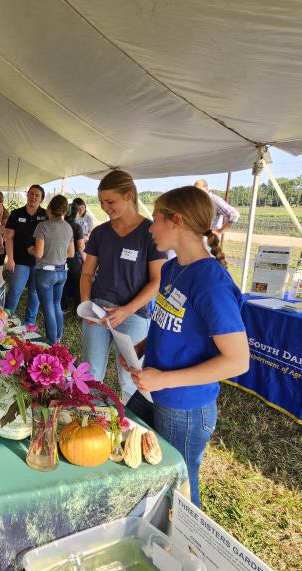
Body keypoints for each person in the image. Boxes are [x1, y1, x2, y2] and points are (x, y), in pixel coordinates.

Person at [124, 185, 249, 506]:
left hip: (185, 406)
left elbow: (237, 361)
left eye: (155, 220)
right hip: (153, 390)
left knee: (179, 487)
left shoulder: (211, 282)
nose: (150, 228)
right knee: (129, 446)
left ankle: (186, 546)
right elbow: (171, 321)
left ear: (176, 220)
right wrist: (141, 346)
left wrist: (164, 379)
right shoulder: (171, 268)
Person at [80, 169, 166, 403]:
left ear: (129, 196)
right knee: (90, 373)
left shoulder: (150, 233)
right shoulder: (100, 233)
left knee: (131, 379)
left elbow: (157, 280)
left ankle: (129, 428)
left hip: (134, 314)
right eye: (102, 202)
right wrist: (86, 304)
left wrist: (126, 310)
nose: (105, 208)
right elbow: (87, 273)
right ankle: (88, 420)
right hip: (97, 311)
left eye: (110, 201)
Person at [30, 195, 75, 344]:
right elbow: (71, 253)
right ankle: (59, 337)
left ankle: (52, 341)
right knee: (56, 305)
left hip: (45, 272)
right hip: (62, 271)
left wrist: (30, 249)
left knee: (48, 307)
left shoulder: (43, 226)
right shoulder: (68, 227)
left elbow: (38, 253)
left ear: (49, 208)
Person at [3, 184, 46, 324]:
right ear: (27, 195)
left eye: (37, 195)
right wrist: (10, 259)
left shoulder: (46, 215)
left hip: (39, 262)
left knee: (35, 293)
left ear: (41, 199)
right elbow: (8, 237)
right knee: (15, 291)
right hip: (19, 260)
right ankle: (6, 323)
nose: (33, 197)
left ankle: (29, 325)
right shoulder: (17, 213)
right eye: (31, 193)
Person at [61, 204, 86, 313]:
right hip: (74, 260)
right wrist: (85, 260)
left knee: (63, 284)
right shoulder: (77, 227)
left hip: (61, 258)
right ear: (76, 213)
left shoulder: (61, 225)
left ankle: (63, 306)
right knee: (77, 284)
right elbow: (80, 247)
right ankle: (78, 308)